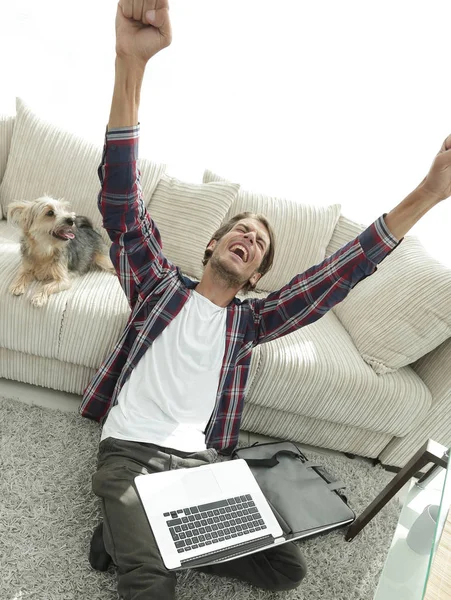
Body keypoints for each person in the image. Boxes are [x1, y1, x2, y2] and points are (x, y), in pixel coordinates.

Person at [80, 2, 451, 598]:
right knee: (148, 581)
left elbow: (337, 275)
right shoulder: (157, 285)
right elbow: (120, 203)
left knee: (286, 571)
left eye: (260, 242)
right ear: (212, 244)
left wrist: (430, 192)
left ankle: (128, 533)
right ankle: (139, 542)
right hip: (129, 452)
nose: (249, 237)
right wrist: (131, 64)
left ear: (256, 276)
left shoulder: (251, 323)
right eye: (241, 229)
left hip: (199, 468)